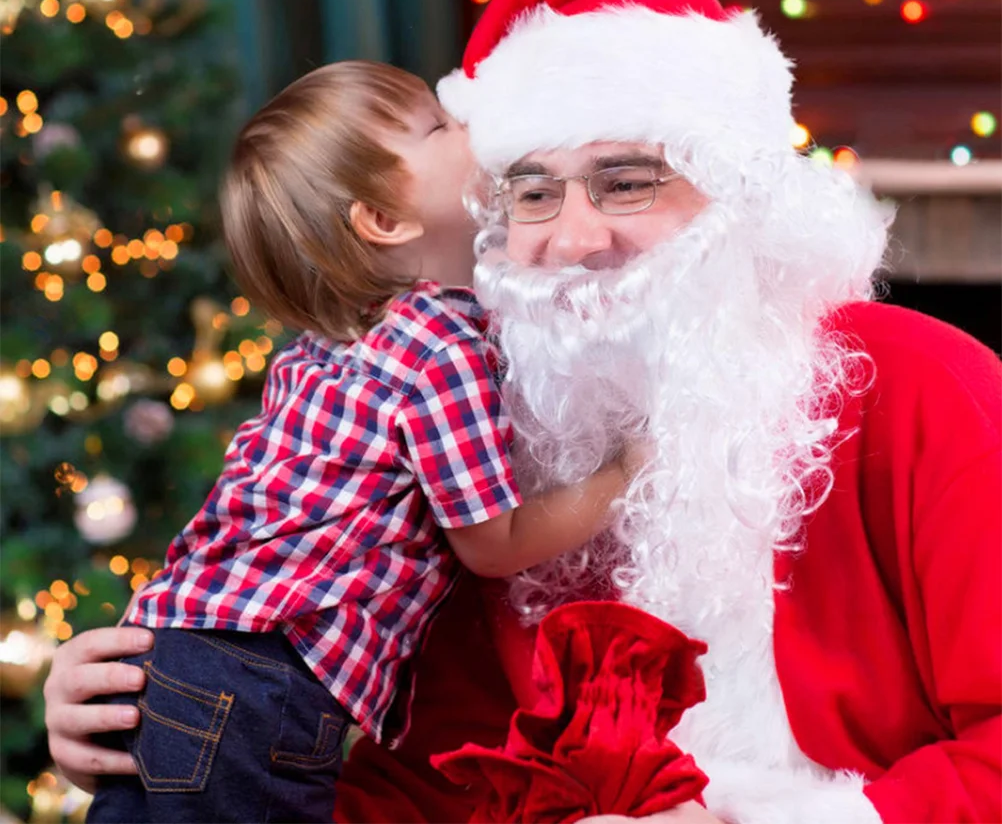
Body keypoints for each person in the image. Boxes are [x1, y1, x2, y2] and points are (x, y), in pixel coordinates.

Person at [46, 0, 1001, 823]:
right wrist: (160, 719)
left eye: (626, 182)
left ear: (739, 190)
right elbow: (408, 791)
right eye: (533, 193)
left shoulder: (921, 383)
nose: (575, 242)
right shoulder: (491, 435)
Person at [80, 59, 633, 824]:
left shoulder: (327, 344)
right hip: (259, 684)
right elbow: (494, 543)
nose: (467, 124)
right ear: (384, 218)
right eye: (439, 126)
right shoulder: (440, 341)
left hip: (180, 646)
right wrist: (626, 472)